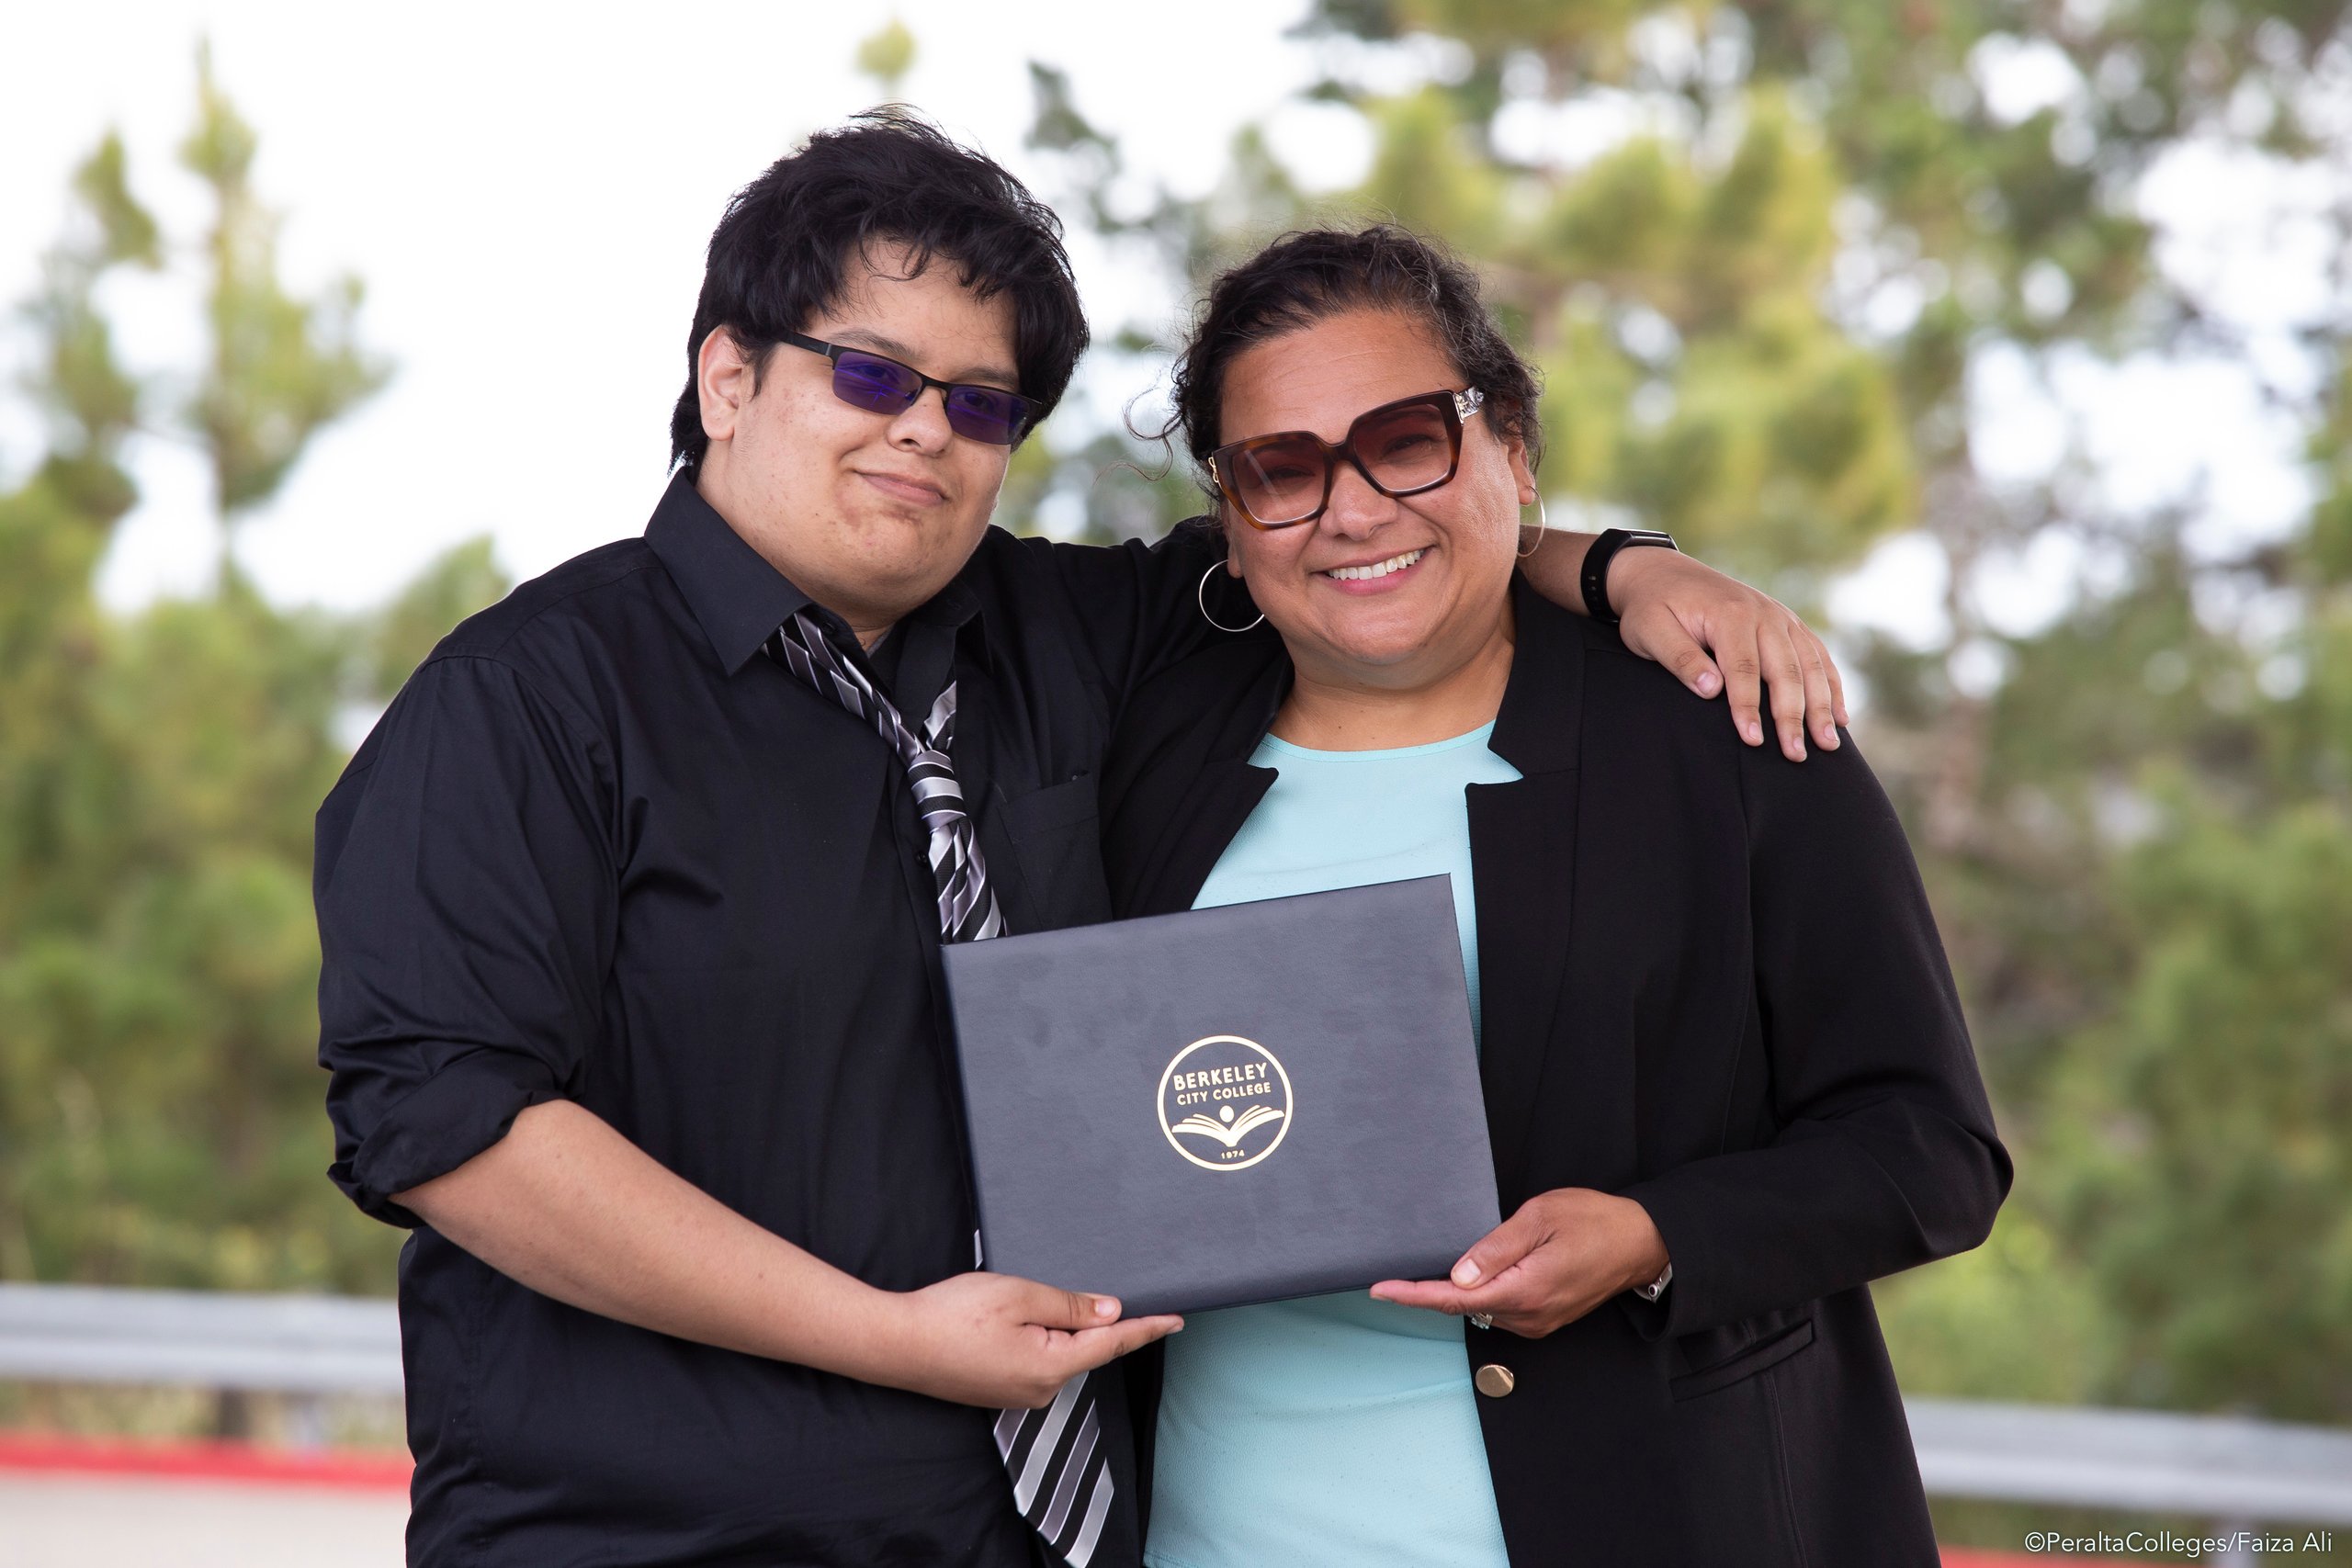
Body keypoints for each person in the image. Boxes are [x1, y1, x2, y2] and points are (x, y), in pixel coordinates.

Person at [315, 118, 1854, 1566]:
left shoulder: (1077, 636)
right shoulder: (527, 702)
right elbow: (452, 1131)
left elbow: (1351, 535)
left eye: (982, 405)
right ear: (727, 376)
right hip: (654, 1531)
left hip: (1047, 1540)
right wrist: (894, 1337)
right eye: (870, 375)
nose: (926, 432)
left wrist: (1625, 569)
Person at [1098, 224, 2012, 1568]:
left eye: (1407, 438)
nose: (1350, 508)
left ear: (1513, 447)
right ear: (1229, 520)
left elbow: (1932, 1149)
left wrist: (1652, 1236)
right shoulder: (1137, 745)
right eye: (1278, 471)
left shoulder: (1728, 732)